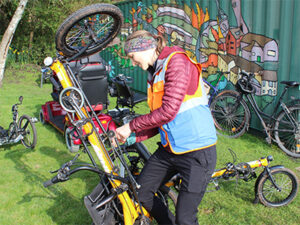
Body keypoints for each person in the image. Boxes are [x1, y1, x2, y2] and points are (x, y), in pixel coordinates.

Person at [115, 30, 217, 225]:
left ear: (146, 48)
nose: (132, 63)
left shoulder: (176, 62)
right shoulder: (155, 72)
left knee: (185, 218)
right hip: (171, 149)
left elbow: (168, 111)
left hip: (197, 152)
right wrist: (132, 137)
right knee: (141, 191)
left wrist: (130, 126)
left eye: (132, 57)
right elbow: (160, 120)